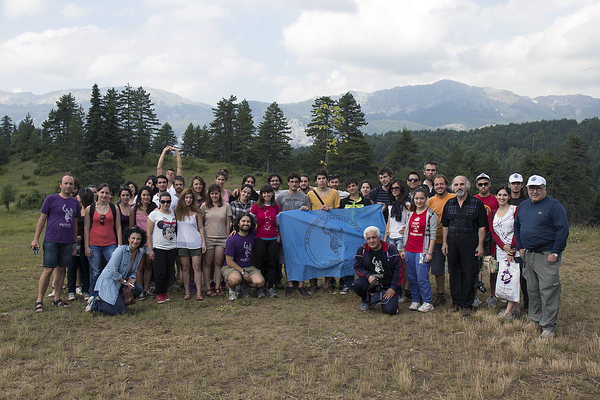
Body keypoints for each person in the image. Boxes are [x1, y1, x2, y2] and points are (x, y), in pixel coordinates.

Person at [514, 175, 569, 339]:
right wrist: (521, 247)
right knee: (532, 290)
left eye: (538, 188)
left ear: (545, 188)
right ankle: (535, 319)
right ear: (528, 189)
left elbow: (562, 229)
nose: (535, 191)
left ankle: (549, 326)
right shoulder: (524, 206)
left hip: (546, 255)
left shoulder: (554, 205)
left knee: (548, 290)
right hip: (529, 254)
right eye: (532, 188)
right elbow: (517, 227)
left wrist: (556, 252)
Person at [31, 174, 81, 312]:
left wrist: (74, 242)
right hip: (52, 240)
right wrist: (36, 238)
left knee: (61, 269)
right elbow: (42, 220)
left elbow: (75, 223)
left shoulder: (75, 203)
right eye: (65, 183)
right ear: (60, 185)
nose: (68, 186)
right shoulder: (51, 199)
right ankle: (39, 300)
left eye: (71, 184)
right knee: (47, 269)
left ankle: (57, 299)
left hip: (67, 241)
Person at [442, 176, 487, 317]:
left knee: (469, 272)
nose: (459, 187)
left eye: (462, 184)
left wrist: (480, 245)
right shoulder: (449, 204)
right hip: (453, 241)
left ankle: (467, 304)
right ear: (453, 187)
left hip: (470, 242)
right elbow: (445, 225)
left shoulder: (477, 203)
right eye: (456, 184)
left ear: (467, 186)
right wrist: (444, 242)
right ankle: (456, 302)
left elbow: (482, 227)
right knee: (453, 273)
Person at [85, 227, 146, 315]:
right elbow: (113, 271)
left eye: (138, 239)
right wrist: (124, 282)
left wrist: (132, 278)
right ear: (128, 238)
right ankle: (95, 304)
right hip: (110, 282)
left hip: (121, 283)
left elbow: (133, 270)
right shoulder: (120, 250)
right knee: (122, 312)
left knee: (138, 288)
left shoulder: (139, 253)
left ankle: (117, 304)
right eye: (133, 238)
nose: (135, 241)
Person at [401, 188, 438, 313]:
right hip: (410, 249)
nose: (419, 201)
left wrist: (429, 252)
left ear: (426, 198)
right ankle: (416, 300)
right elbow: (407, 233)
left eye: (422, 198)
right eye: (416, 198)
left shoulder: (431, 214)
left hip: (422, 250)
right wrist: (403, 248)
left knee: (422, 277)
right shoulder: (410, 214)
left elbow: (433, 236)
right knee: (411, 277)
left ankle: (427, 302)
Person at [84, 183, 122, 299]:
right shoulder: (89, 209)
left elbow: (118, 227)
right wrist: (86, 246)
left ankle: (111, 294)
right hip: (94, 244)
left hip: (110, 244)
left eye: (107, 193)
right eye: (102, 192)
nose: (104, 195)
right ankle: (93, 296)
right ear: (97, 194)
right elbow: (86, 228)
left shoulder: (114, 208)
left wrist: (119, 244)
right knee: (95, 272)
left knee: (113, 270)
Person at [353, 226, 403, 315]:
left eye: (374, 237)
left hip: (388, 285)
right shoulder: (362, 250)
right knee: (357, 284)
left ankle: (384, 298)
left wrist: (393, 288)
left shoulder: (391, 249)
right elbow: (357, 267)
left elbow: (398, 270)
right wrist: (368, 276)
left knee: (389, 311)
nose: (371, 241)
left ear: (379, 238)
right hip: (371, 283)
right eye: (368, 238)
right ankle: (366, 301)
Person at [307, 169, 341, 294]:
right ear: (316, 180)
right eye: (319, 178)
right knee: (313, 256)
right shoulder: (310, 194)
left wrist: (331, 209)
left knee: (328, 256)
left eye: (323, 178)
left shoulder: (334, 193)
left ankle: (327, 284)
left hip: (330, 230)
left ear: (327, 180)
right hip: (314, 230)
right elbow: (308, 211)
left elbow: (339, 211)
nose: (321, 181)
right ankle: (312, 283)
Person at [277, 172, 310, 296]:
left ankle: (301, 285)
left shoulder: (304, 197)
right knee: (287, 259)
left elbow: (309, 216)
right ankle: (290, 284)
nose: (294, 184)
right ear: (288, 182)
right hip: (286, 233)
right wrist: (279, 233)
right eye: (292, 181)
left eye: (297, 182)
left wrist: (305, 210)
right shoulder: (281, 196)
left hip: (300, 233)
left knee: (301, 258)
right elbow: (276, 215)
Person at [489, 185, 520, 321]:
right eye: (499, 195)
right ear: (496, 196)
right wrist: (503, 246)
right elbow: (493, 232)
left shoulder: (514, 210)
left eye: (505, 195)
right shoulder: (493, 213)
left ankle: (508, 312)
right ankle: (514, 306)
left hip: (514, 250)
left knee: (513, 278)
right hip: (501, 251)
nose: (502, 197)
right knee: (504, 278)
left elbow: (517, 229)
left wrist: (511, 250)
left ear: (509, 197)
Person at [426, 174, 456, 307]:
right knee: (438, 269)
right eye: (437, 184)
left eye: (442, 184)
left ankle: (456, 293)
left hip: (453, 239)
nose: (439, 186)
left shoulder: (454, 198)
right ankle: (441, 294)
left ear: (446, 185)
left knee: (454, 268)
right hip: (436, 240)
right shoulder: (431, 201)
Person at [223, 213, 266, 300]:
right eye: (243, 221)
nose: (246, 223)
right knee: (235, 279)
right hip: (231, 267)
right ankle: (232, 289)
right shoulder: (232, 239)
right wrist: (243, 272)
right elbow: (229, 261)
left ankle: (242, 285)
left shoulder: (253, 234)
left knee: (260, 282)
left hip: (248, 267)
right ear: (238, 223)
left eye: (248, 221)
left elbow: (266, 231)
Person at [174, 188, 207, 300]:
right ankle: (187, 291)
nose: (188, 200)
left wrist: (203, 242)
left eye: (190, 198)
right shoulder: (177, 211)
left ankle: (198, 292)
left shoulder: (197, 212)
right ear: (182, 198)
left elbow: (201, 227)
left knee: (197, 267)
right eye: (186, 197)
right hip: (182, 243)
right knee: (185, 267)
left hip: (195, 242)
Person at [200, 184, 232, 296]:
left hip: (222, 238)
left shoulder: (226, 206)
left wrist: (228, 238)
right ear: (209, 194)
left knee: (218, 263)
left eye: (216, 193)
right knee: (207, 263)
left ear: (220, 194)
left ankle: (218, 287)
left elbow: (228, 223)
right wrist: (203, 240)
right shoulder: (204, 206)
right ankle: (208, 287)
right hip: (208, 238)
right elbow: (201, 224)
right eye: (212, 193)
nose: (214, 195)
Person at [251, 184, 281, 298]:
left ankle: (270, 288)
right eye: (264, 193)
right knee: (259, 264)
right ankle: (260, 288)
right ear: (261, 194)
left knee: (272, 264)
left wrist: (280, 236)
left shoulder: (276, 206)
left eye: (269, 192)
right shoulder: (255, 206)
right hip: (259, 239)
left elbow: (278, 223)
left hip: (273, 239)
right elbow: (251, 223)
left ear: (272, 193)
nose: (266, 195)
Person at [147, 191, 178, 303]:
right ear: (159, 202)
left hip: (171, 247)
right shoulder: (154, 214)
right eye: (163, 202)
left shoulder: (173, 214)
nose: (166, 204)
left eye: (168, 202)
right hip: (159, 247)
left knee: (169, 271)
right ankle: (159, 293)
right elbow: (148, 233)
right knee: (160, 272)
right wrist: (150, 249)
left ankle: (165, 292)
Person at [474, 173, 499, 307]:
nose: (483, 186)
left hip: (492, 237)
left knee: (492, 268)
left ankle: (493, 296)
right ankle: (475, 296)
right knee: (475, 268)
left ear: (490, 184)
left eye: (485, 184)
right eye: (480, 184)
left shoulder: (496, 199)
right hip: (476, 236)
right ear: (477, 186)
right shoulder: (473, 199)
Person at [384, 178, 411, 301]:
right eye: (392, 188)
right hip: (392, 238)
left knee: (402, 266)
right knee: (393, 265)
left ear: (401, 189)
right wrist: (385, 239)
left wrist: (406, 229)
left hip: (401, 238)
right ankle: (394, 289)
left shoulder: (406, 204)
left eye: (397, 188)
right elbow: (389, 223)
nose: (394, 190)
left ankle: (403, 293)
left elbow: (411, 219)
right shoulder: (391, 205)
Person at [129, 186, 156, 299]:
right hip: (138, 242)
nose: (146, 197)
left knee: (149, 265)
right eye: (144, 195)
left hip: (150, 241)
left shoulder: (154, 209)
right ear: (140, 195)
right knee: (139, 267)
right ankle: (139, 290)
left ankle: (146, 289)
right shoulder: (134, 209)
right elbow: (131, 226)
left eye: (148, 195)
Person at [68, 188, 95, 301]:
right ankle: (71, 291)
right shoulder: (75, 209)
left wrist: (82, 237)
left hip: (85, 242)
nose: (76, 197)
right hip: (73, 242)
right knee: (71, 267)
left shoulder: (91, 211)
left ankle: (85, 290)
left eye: (78, 196)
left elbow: (91, 228)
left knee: (85, 267)